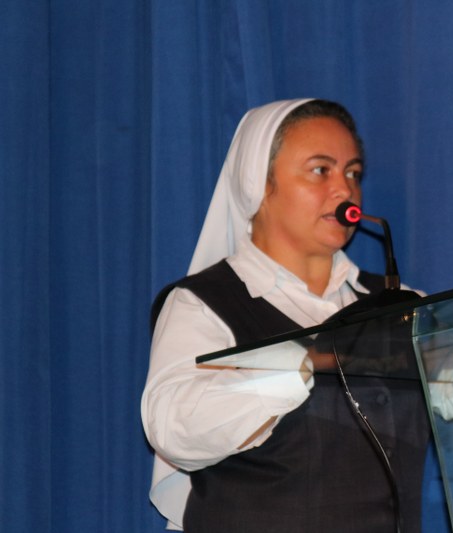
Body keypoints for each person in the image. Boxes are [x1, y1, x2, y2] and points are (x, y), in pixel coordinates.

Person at [141, 99, 431, 532]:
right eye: (321, 170)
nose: (344, 190)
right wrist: (303, 364)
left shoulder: (404, 305)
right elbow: (173, 429)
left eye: (353, 173)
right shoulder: (202, 304)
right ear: (259, 184)